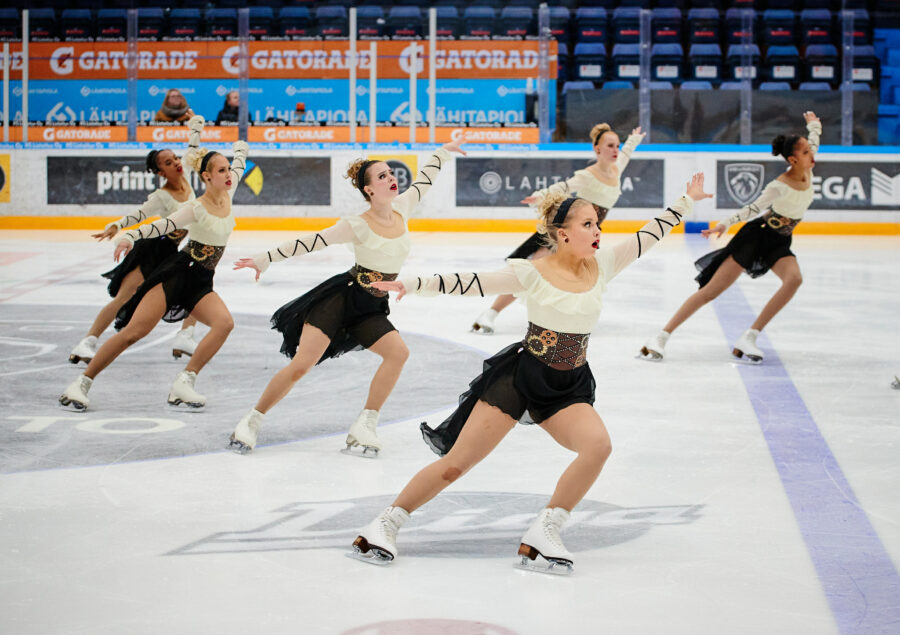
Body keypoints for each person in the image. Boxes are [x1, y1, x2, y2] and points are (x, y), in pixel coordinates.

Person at [350, 173, 712, 572]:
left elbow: (649, 235)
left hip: (568, 384)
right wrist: (412, 284)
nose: (598, 231)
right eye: (588, 224)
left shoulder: (603, 264)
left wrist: (687, 200)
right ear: (562, 234)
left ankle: (546, 528)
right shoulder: (532, 272)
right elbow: (472, 282)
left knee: (598, 447)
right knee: (456, 464)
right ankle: (386, 522)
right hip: (521, 379)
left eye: (598, 223)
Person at [228, 141, 466, 455]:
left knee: (398, 353)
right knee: (302, 365)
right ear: (369, 190)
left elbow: (424, 179)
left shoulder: (403, 207)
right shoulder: (356, 224)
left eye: (390, 173)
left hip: (369, 306)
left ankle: (365, 423)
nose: (391, 177)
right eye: (381, 176)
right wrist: (266, 257)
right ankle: (252, 419)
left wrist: (443, 152)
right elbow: (310, 242)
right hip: (341, 300)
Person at [59, 129, 249, 411]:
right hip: (176, 274)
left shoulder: (228, 192)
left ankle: (184, 383)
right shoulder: (195, 207)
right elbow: (162, 225)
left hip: (201, 280)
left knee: (224, 324)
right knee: (133, 333)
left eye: (227, 170)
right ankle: (81, 383)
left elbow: (239, 165)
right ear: (207, 177)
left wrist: (241, 149)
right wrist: (128, 236)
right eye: (221, 170)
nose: (228, 174)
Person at [639, 111, 821, 363]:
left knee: (794, 280)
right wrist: (724, 224)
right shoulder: (779, 185)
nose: (812, 155)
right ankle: (660, 336)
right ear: (792, 159)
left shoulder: (808, 167)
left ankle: (750, 335)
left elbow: (814, 139)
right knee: (711, 291)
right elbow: (753, 208)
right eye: (805, 152)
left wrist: (814, 125)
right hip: (756, 236)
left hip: (779, 240)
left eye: (810, 151)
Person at [471, 124, 645, 334]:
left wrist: (633, 139)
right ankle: (490, 313)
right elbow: (564, 187)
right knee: (534, 268)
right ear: (597, 149)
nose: (616, 150)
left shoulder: (617, 168)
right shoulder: (588, 174)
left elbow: (626, 152)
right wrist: (542, 195)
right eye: (610, 145)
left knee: (573, 277)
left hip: (587, 237)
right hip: (566, 229)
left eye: (617, 145)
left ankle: (559, 322)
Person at [68, 116, 206, 365]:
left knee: (193, 287)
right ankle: (86, 342)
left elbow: (193, 147)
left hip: (172, 252)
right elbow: (140, 214)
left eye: (174, 158)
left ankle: (185, 335)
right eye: (168, 162)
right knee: (123, 297)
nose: (176, 162)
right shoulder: (162, 195)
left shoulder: (185, 174)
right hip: (152, 250)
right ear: (159, 171)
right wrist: (117, 226)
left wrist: (195, 122)